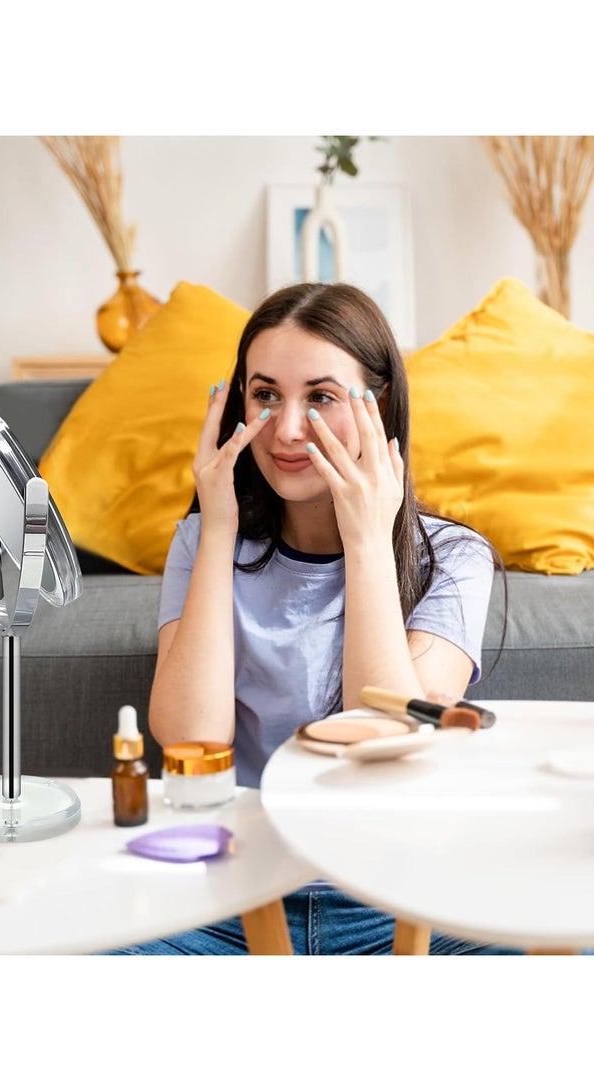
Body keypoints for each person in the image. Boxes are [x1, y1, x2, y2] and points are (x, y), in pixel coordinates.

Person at [108, 282, 519, 956]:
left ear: (377, 406)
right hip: (231, 890)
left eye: (321, 397)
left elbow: (381, 740)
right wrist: (216, 529)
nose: (287, 428)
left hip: (395, 892)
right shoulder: (203, 542)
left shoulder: (455, 558)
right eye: (265, 394)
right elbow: (190, 738)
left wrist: (366, 540)